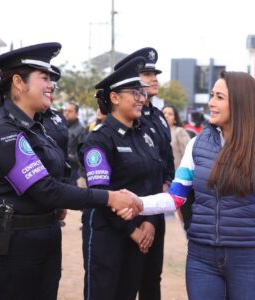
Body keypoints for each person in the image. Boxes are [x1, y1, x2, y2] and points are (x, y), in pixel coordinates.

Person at [0, 42, 141, 300]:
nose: (52, 84)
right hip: (13, 244)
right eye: (44, 77)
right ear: (19, 82)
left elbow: (57, 175)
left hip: (45, 235)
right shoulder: (1, 129)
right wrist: (110, 197)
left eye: (52, 78)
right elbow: (46, 190)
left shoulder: (37, 126)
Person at [137, 71, 255, 299]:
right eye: (212, 95)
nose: (211, 103)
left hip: (253, 259)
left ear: (240, 103)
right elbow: (175, 197)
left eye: (219, 97)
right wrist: (136, 203)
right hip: (202, 258)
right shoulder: (197, 144)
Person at [81, 56, 163, 300]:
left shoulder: (144, 135)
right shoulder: (98, 140)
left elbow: (154, 182)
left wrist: (149, 222)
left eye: (142, 92)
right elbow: (100, 194)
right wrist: (133, 230)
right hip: (109, 235)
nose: (141, 98)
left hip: (141, 232)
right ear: (114, 98)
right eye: (135, 92)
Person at [114, 47, 173, 300]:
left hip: (155, 209)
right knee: (125, 280)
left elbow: (166, 162)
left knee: (152, 278)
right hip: (126, 212)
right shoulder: (125, 119)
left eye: (154, 73)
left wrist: (155, 214)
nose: (154, 79)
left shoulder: (158, 116)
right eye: (147, 74)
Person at [63, 102, 87, 185]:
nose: (66, 113)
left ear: (76, 114)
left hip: (74, 171)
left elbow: (82, 153)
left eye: (70, 111)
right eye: (65, 111)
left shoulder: (81, 130)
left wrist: (67, 156)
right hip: (61, 169)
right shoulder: (61, 127)